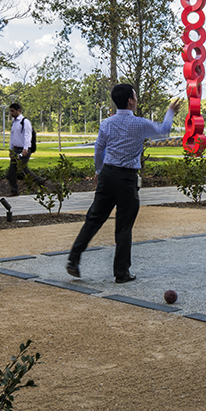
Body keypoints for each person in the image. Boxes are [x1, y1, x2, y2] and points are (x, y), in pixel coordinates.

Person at [66, 85, 180, 283]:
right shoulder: (140, 124)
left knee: (94, 219)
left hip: (108, 174)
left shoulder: (107, 123)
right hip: (127, 178)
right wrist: (170, 112)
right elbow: (164, 132)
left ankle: (74, 258)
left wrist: (98, 171)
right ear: (130, 100)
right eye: (135, 95)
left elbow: (99, 149)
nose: (136, 98)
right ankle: (121, 272)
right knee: (124, 226)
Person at [6, 102, 45, 196]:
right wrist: (11, 149)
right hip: (15, 149)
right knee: (11, 171)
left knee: (22, 167)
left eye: (13, 111)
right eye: (10, 111)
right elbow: (13, 137)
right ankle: (14, 191)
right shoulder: (14, 122)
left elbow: (28, 136)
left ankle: (39, 181)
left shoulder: (25, 121)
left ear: (18, 110)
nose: (11, 113)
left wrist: (25, 148)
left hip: (23, 149)